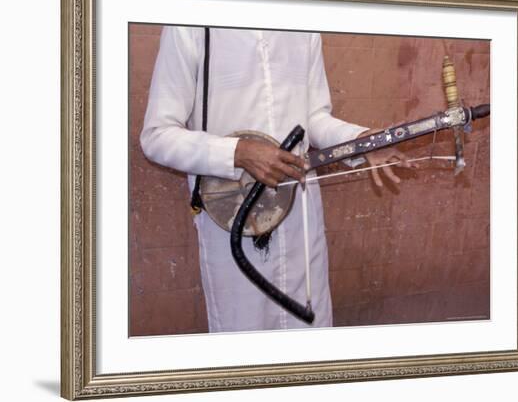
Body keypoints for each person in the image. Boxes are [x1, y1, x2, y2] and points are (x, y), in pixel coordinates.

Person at [140, 26, 408, 333]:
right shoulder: (189, 24)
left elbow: (313, 120)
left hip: (300, 220)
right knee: (244, 350)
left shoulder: (303, 27)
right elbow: (157, 136)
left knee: (309, 340)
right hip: (233, 222)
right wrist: (238, 153)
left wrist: (359, 141)